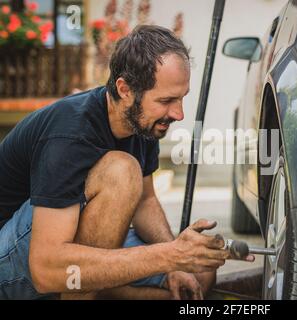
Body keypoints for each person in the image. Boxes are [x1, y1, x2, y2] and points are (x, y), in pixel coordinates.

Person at [0, 25, 250, 300]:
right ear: (125, 89)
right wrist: (167, 256)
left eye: (181, 99)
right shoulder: (70, 133)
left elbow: (145, 202)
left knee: (198, 276)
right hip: (14, 262)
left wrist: (175, 260)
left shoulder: (142, 123)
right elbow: (45, 268)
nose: (178, 114)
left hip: (69, 249)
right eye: (166, 100)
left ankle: (102, 291)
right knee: (121, 170)